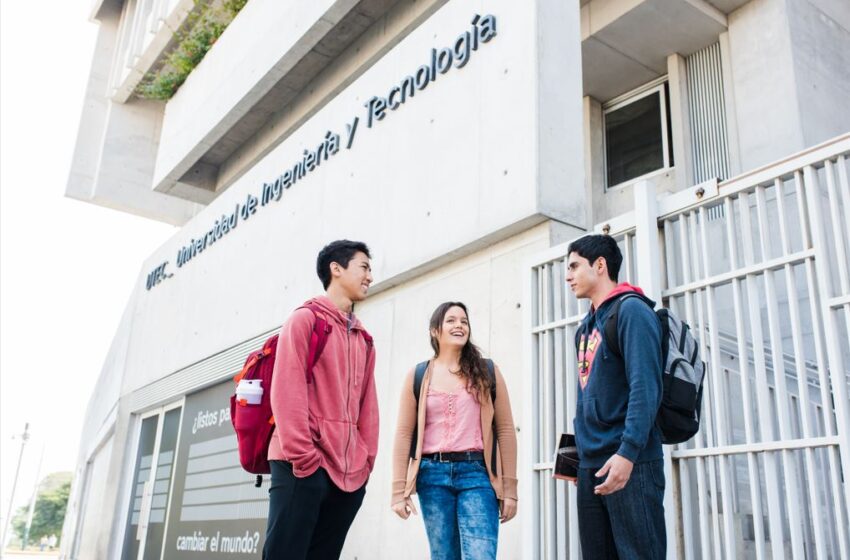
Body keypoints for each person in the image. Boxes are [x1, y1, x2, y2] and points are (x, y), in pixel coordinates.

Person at [263, 240, 379, 560]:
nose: (370, 276)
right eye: (364, 267)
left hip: (348, 474)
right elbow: (286, 391)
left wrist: (365, 461)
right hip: (301, 464)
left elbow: (368, 406)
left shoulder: (364, 339)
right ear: (336, 269)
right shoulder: (305, 320)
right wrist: (304, 459)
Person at [391, 301, 518, 560]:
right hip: (431, 477)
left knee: (481, 556)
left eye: (464, 321)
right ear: (435, 331)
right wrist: (397, 491)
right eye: (451, 320)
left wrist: (510, 489)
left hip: (477, 476)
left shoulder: (487, 372)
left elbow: (505, 430)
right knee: (444, 556)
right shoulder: (418, 375)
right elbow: (404, 433)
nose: (459, 325)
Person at [565, 234, 665, 559]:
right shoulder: (585, 328)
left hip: (629, 463)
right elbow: (586, 399)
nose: (568, 276)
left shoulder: (632, 311)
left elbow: (645, 388)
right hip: (590, 468)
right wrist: (574, 459)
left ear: (600, 265)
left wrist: (628, 453)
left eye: (574, 266)